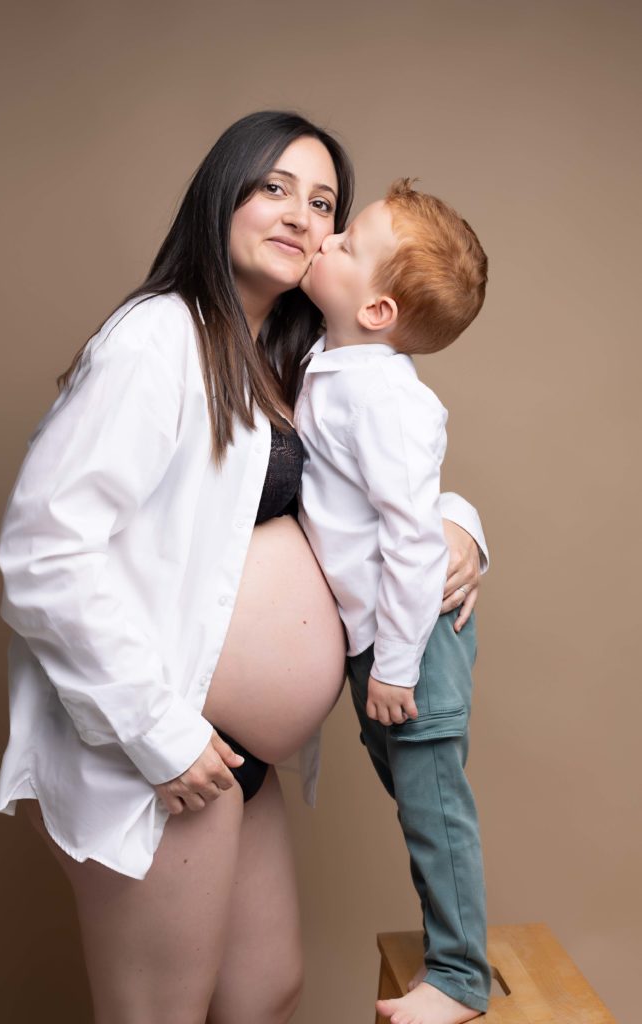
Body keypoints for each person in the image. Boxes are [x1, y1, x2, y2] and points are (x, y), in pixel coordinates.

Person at [0, 112, 487, 1024]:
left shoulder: (298, 355)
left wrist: (461, 525)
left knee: (264, 993)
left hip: (241, 751)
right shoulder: (159, 339)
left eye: (325, 201)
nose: (304, 215)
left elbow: (382, 485)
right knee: (159, 1012)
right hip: (160, 742)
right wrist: (159, 732)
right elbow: (41, 553)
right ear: (223, 194)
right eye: (275, 188)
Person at [295, 181, 490, 1024]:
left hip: (407, 647)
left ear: (375, 309)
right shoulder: (336, 365)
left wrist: (395, 667)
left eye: (347, 241)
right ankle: (452, 965)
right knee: (415, 801)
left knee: (434, 815)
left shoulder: (383, 398)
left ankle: (458, 978)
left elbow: (413, 542)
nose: (326, 237)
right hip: (381, 646)